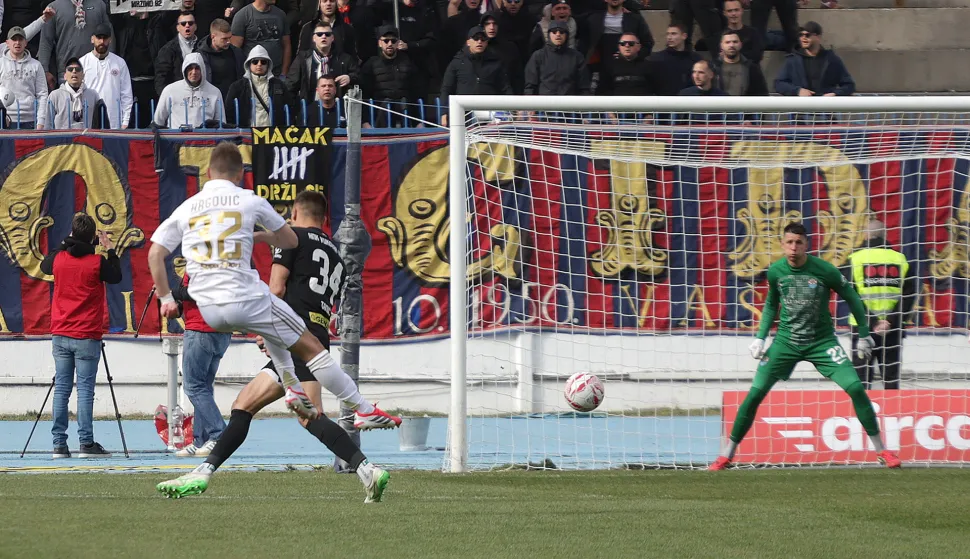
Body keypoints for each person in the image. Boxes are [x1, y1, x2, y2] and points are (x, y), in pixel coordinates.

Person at [148, 143, 399, 497]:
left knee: (253, 407)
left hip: (213, 307)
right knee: (300, 409)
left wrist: (167, 299)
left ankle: (361, 423)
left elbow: (277, 285)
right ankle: (363, 445)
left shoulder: (195, 209)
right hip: (306, 326)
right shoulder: (333, 252)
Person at [709, 222, 903, 470]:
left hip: (821, 342)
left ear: (806, 244)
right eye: (789, 242)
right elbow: (771, 304)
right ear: (782, 243)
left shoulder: (824, 270)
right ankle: (727, 454)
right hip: (785, 342)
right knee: (755, 393)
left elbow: (853, 297)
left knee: (855, 387)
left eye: (798, 242)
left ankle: (882, 450)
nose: (793, 247)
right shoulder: (776, 271)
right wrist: (760, 337)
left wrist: (864, 334)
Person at [40, 213, 122, 459]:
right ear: (93, 239)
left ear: (73, 234)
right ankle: (86, 444)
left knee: (62, 389)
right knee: (85, 390)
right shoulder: (97, 262)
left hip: (61, 332)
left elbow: (45, 264)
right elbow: (116, 276)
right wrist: (110, 249)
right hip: (87, 334)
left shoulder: (59, 259)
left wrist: (67, 242)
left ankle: (59, 445)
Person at [847, 220, 917, 390]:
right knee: (891, 379)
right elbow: (909, 295)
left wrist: (872, 322)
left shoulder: (855, 259)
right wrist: (889, 321)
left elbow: (850, 296)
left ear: (866, 235)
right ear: (885, 235)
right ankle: (892, 415)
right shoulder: (900, 259)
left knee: (861, 380)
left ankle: (862, 415)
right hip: (892, 330)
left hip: (862, 328)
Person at [170, 272, 231, 457]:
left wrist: (171, 292)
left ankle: (219, 435)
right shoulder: (221, 261)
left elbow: (199, 292)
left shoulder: (202, 261)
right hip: (219, 329)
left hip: (201, 329)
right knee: (203, 388)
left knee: (194, 387)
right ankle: (201, 440)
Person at [225, 44, 296, 127]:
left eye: (263, 62)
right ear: (249, 64)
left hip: (273, 135)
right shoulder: (237, 87)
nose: (259, 64)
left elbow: (289, 109)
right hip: (247, 134)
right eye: (255, 61)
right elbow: (229, 112)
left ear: (268, 64)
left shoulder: (279, 85)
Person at [79, 23, 133, 129]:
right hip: (88, 121)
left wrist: (125, 121)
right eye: (99, 38)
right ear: (92, 39)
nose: (102, 42)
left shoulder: (119, 63)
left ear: (110, 40)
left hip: (114, 121)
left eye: (105, 38)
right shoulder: (82, 62)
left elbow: (126, 94)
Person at [153, 52, 225, 129]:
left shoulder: (214, 92)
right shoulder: (170, 90)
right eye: (190, 68)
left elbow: (221, 123)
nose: (194, 72)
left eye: (197, 68)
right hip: (175, 138)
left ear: (203, 69)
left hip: (204, 138)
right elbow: (158, 121)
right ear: (185, 70)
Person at [0, 25, 47, 129]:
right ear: (7, 43)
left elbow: (42, 94)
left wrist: (41, 122)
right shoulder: (1, 63)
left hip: (30, 120)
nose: (17, 42)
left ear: (25, 43)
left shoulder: (36, 65)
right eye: (14, 39)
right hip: (5, 120)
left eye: (20, 39)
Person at [47, 56, 105, 129]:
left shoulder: (93, 95)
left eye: (78, 69)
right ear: (65, 76)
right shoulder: (55, 95)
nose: (74, 71)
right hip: (63, 139)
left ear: (83, 75)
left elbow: (99, 122)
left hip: (86, 138)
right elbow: (48, 123)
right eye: (70, 69)